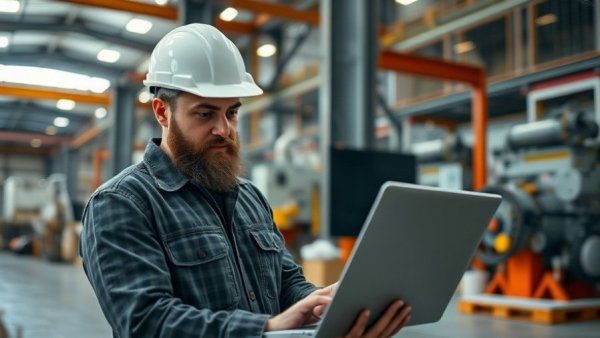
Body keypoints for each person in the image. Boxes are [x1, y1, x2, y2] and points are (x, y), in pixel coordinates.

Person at [80, 23, 411, 337]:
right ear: (162, 112)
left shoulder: (249, 196)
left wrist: (325, 306)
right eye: (205, 113)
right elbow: (145, 323)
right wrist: (265, 329)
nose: (224, 129)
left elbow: (286, 283)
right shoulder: (121, 204)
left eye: (232, 112)